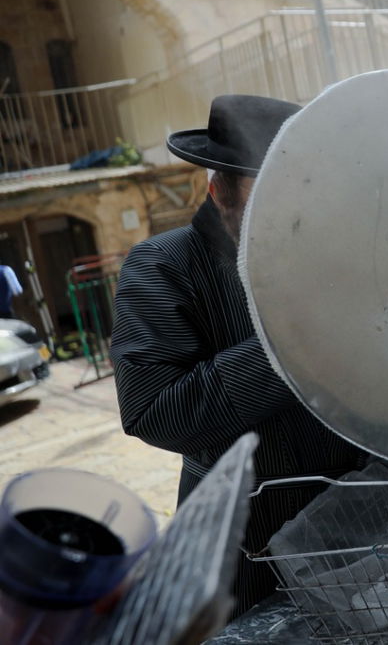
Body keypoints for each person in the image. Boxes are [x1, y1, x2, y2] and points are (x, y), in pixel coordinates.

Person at [111, 95, 363, 616]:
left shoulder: (325, 253)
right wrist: (291, 344)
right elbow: (153, 412)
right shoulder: (163, 264)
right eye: (264, 196)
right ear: (216, 188)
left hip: (352, 523)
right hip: (237, 547)